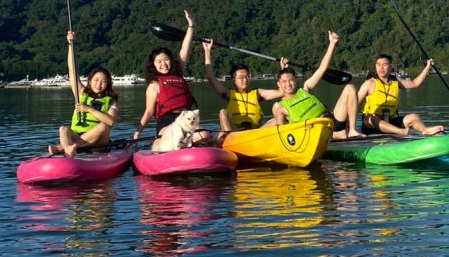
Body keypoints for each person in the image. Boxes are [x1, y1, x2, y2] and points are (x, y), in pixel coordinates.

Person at [134, 10, 211, 146]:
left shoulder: (178, 72)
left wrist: (191, 26)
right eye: (159, 61)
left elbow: (185, 48)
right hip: (166, 121)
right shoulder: (154, 84)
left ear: (171, 60)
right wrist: (138, 132)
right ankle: (158, 142)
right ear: (154, 65)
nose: (163, 64)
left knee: (204, 135)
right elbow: (149, 111)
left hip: (185, 117)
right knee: (175, 136)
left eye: (166, 59)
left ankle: (191, 146)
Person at [271, 31, 364, 140]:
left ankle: (352, 130)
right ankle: (336, 135)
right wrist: (284, 70)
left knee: (350, 88)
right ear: (279, 84)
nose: (288, 84)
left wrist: (332, 44)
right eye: (284, 82)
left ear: (295, 80)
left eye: (291, 80)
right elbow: (283, 132)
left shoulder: (305, 88)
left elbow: (322, 69)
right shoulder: (280, 106)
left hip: (331, 120)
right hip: (313, 132)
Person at [50, 30, 119, 156]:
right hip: (78, 135)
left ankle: (62, 148)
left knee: (103, 126)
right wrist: (70, 45)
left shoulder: (111, 101)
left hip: (98, 144)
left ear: (108, 83)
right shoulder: (81, 93)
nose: (99, 83)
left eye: (103, 81)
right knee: (63, 129)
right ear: (90, 81)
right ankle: (68, 149)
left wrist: (89, 109)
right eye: (96, 80)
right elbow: (72, 70)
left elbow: (111, 122)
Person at [202, 39, 282, 131]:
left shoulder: (257, 93)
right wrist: (207, 51)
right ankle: (228, 137)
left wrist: (283, 70)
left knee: (278, 118)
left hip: (256, 133)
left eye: (247, 76)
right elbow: (210, 77)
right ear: (233, 79)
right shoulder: (228, 94)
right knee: (223, 112)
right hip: (235, 133)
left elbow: (281, 92)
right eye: (241, 77)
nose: (245, 80)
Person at [358, 53, 444, 136]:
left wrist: (428, 67)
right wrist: (347, 128)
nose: (381, 68)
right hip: (371, 127)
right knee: (370, 118)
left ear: (391, 67)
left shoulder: (396, 81)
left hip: (389, 122)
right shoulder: (369, 83)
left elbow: (415, 83)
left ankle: (425, 130)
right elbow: (354, 103)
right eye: (378, 64)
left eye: (385, 64)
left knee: (414, 117)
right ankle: (400, 131)